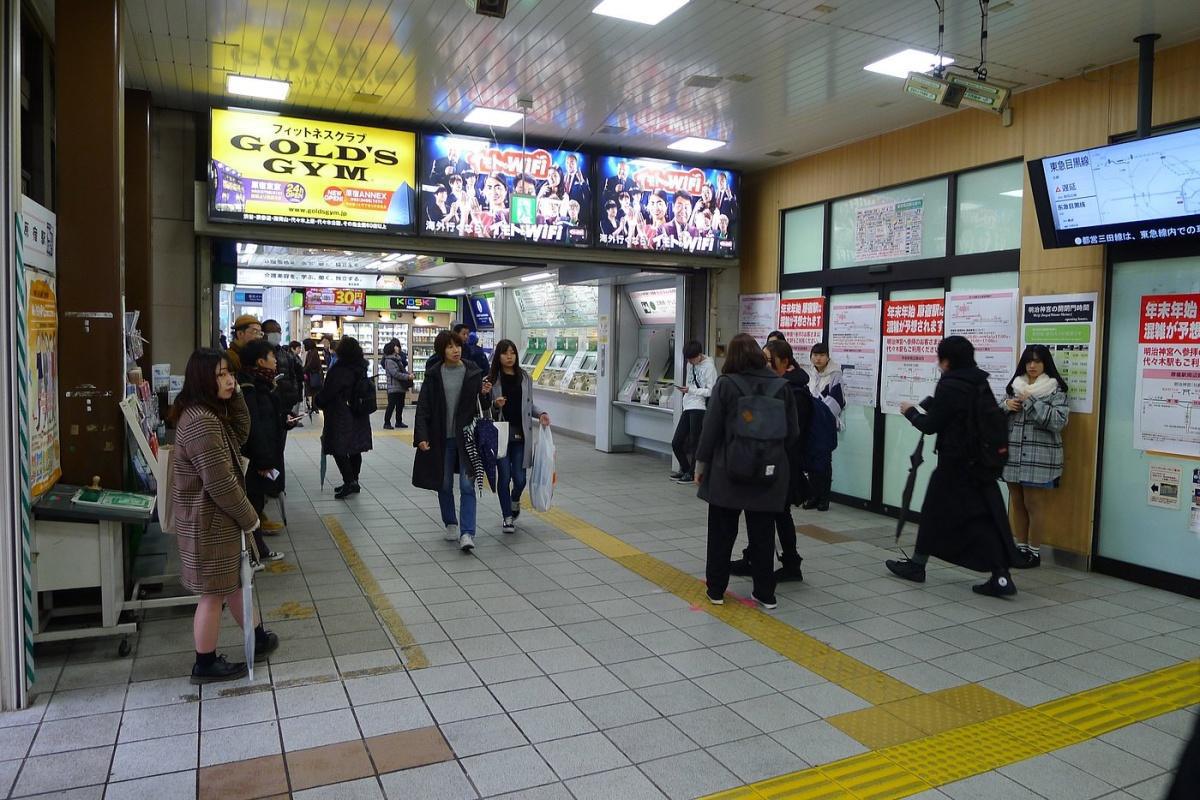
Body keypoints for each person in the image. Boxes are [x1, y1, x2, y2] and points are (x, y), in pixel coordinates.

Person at [169, 348, 278, 684]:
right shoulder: (201, 422)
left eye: (230, 373)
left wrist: (236, 390)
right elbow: (220, 484)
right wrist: (251, 518)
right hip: (209, 523)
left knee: (234, 583)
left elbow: (242, 432)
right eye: (220, 375)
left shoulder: (209, 412)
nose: (229, 380)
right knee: (213, 594)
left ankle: (256, 636)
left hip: (214, 521)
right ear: (202, 379)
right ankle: (205, 663)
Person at [885, 336, 1025, 597]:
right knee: (984, 518)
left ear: (947, 360)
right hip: (981, 464)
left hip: (955, 465)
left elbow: (931, 425)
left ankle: (918, 565)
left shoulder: (950, 384)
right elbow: (962, 415)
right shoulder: (978, 381)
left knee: (934, 512)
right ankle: (1001, 576)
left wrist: (910, 412)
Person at [695, 333, 799, 610]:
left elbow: (710, 429)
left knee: (721, 533)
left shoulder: (726, 385)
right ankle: (765, 593)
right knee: (763, 535)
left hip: (728, 472)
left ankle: (716, 590)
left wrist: (701, 464)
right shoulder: (781, 386)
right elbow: (792, 434)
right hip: (768, 475)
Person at [730, 340, 812, 582]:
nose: (763, 364)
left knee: (780, 515)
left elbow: (791, 433)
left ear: (785, 362)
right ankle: (755, 557)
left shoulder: (793, 392)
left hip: (784, 465)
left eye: (768, 360)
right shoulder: (775, 386)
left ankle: (791, 564)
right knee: (767, 515)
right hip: (772, 462)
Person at [412, 331, 493, 552]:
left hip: (467, 438)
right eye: (449, 347)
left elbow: (483, 406)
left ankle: (467, 532)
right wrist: (421, 436)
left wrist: (486, 394)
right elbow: (423, 409)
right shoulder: (433, 375)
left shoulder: (472, 372)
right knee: (444, 483)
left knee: (467, 486)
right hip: (442, 438)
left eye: (457, 345)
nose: (455, 350)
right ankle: (450, 522)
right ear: (441, 351)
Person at [1002, 345, 1069, 567]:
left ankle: (1034, 551)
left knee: (1034, 504)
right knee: (1017, 501)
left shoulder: (1055, 389)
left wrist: (1030, 402)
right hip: (1012, 454)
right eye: (1028, 361)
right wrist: (1005, 406)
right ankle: (1019, 547)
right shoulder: (1015, 386)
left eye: (1037, 361)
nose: (1032, 365)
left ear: (1045, 364)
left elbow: (1058, 421)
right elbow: (992, 414)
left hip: (1040, 456)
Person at [488, 339, 550, 534]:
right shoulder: (490, 379)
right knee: (504, 476)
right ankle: (507, 517)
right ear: (498, 356)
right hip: (500, 435)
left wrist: (541, 414)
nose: (509, 356)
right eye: (505, 353)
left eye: (512, 353)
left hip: (521, 434)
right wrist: (494, 404)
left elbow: (529, 405)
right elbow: (482, 407)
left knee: (520, 479)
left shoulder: (524, 377)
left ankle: (515, 500)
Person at [236, 339, 287, 567]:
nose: (275, 360)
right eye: (271, 357)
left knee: (256, 505)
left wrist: (284, 422)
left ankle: (259, 552)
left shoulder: (262, 385)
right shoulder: (250, 389)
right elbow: (255, 428)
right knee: (253, 505)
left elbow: (266, 420)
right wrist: (265, 461)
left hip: (261, 456)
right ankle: (253, 555)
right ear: (260, 361)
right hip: (256, 459)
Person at [316, 337, 374, 500]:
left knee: (338, 448)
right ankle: (354, 480)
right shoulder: (361, 368)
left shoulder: (340, 370)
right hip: (359, 413)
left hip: (341, 414)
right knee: (355, 448)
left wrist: (318, 401)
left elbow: (329, 392)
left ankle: (349, 481)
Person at [803, 342, 845, 511]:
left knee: (824, 461)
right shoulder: (810, 373)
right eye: (815, 355)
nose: (818, 358)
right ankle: (813, 495)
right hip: (810, 423)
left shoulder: (835, 375)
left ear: (828, 357)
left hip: (825, 423)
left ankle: (824, 498)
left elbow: (837, 400)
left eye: (821, 355)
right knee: (811, 460)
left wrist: (819, 413)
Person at [669, 340, 717, 484]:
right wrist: (687, 392)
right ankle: (685, 468)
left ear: (699, 355)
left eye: (692, 358)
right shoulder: (690, 364)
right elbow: (690, 383)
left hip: (700, 407)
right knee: (676, 442)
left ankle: (692, 473)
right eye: (688, 359)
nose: (690, 361)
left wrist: (691, 390)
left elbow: (711, 391)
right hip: (688, 405)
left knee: (695, 443)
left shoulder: (709, 367)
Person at [381, 338, 411, 429]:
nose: (397, 348)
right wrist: (407, 377)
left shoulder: (398, 358)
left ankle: (399, 421)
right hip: (393, 387)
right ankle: (387, 422)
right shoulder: (390, 360)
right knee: (391, 405)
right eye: (395, 347)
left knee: (400, 405)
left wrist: (408, 375)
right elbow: (395, 374)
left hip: (400, 386)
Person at [303, 339, 323, 414]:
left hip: (313, 375)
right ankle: (313, 407)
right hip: (311, 375)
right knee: (313, 391)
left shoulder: (313, 352)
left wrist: (303, 370)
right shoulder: (311, 352)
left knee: (314, 391)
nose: (304, 347)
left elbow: (310, 364)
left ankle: (314, 407)